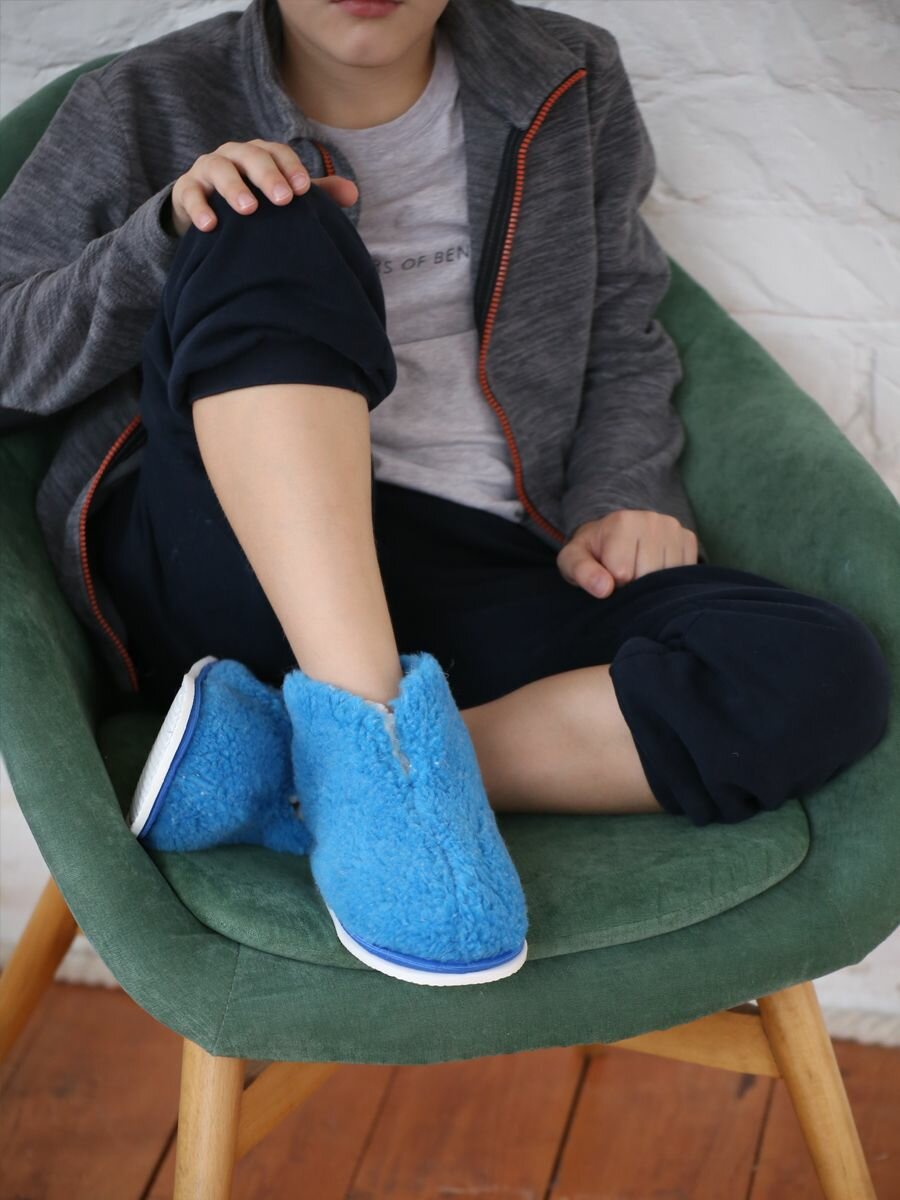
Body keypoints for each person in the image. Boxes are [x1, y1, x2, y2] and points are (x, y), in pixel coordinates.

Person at [0, 0, 890, 985]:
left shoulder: (567, 73)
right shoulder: (142, 101)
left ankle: (335, 768)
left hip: (480, 563)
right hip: (226, 555)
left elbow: (622, 316)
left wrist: (624, 489)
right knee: (267, 210)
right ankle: (371, 743)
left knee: (819, 670)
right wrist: (166, 233)